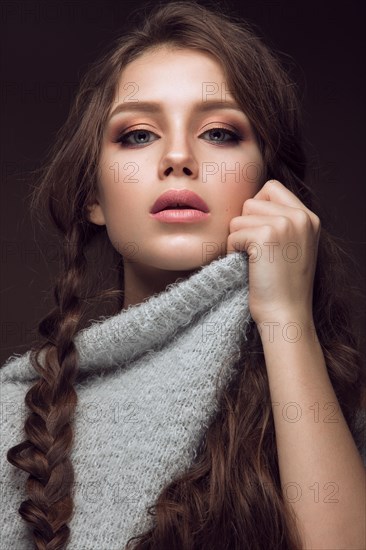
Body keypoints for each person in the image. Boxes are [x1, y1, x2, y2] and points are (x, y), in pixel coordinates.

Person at [1, 1, 365, 549]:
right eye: (138, 135)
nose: (178, 157)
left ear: (270, 186)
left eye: (219, 133)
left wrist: (286, 317)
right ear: (93, 196)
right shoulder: (15, 417)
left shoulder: (331, 403)